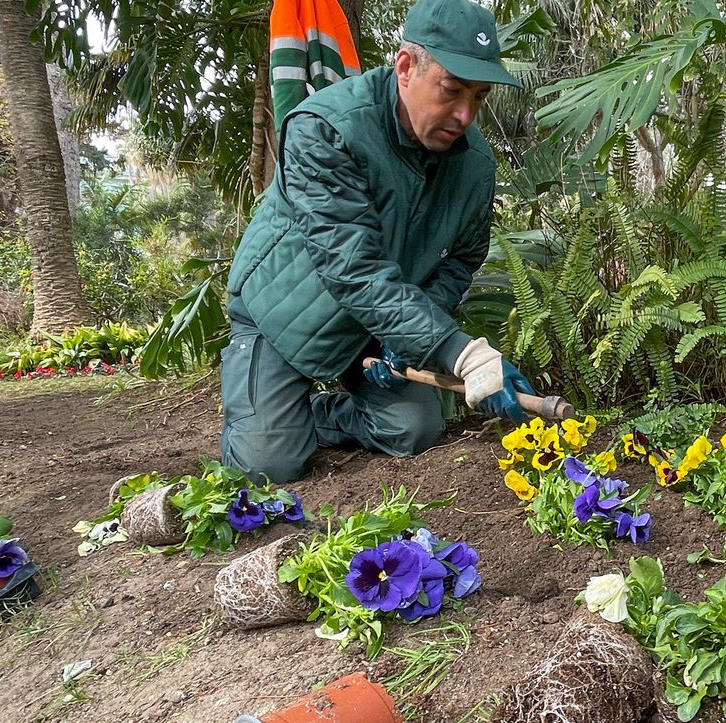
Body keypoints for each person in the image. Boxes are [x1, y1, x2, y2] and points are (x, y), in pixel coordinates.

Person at [219, 0, 535, 483]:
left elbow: (462, 258)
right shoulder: (324, 129)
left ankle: (319, 416)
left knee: (415, 430)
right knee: (268, 465)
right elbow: (355, 268)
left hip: (374, 323)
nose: (465, 115)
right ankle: (276, 418)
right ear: (406, 66)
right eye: (451, 91)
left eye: (480, 97)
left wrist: (407, 341)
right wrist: (461, 353)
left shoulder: (475, 166)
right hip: (284, 312)